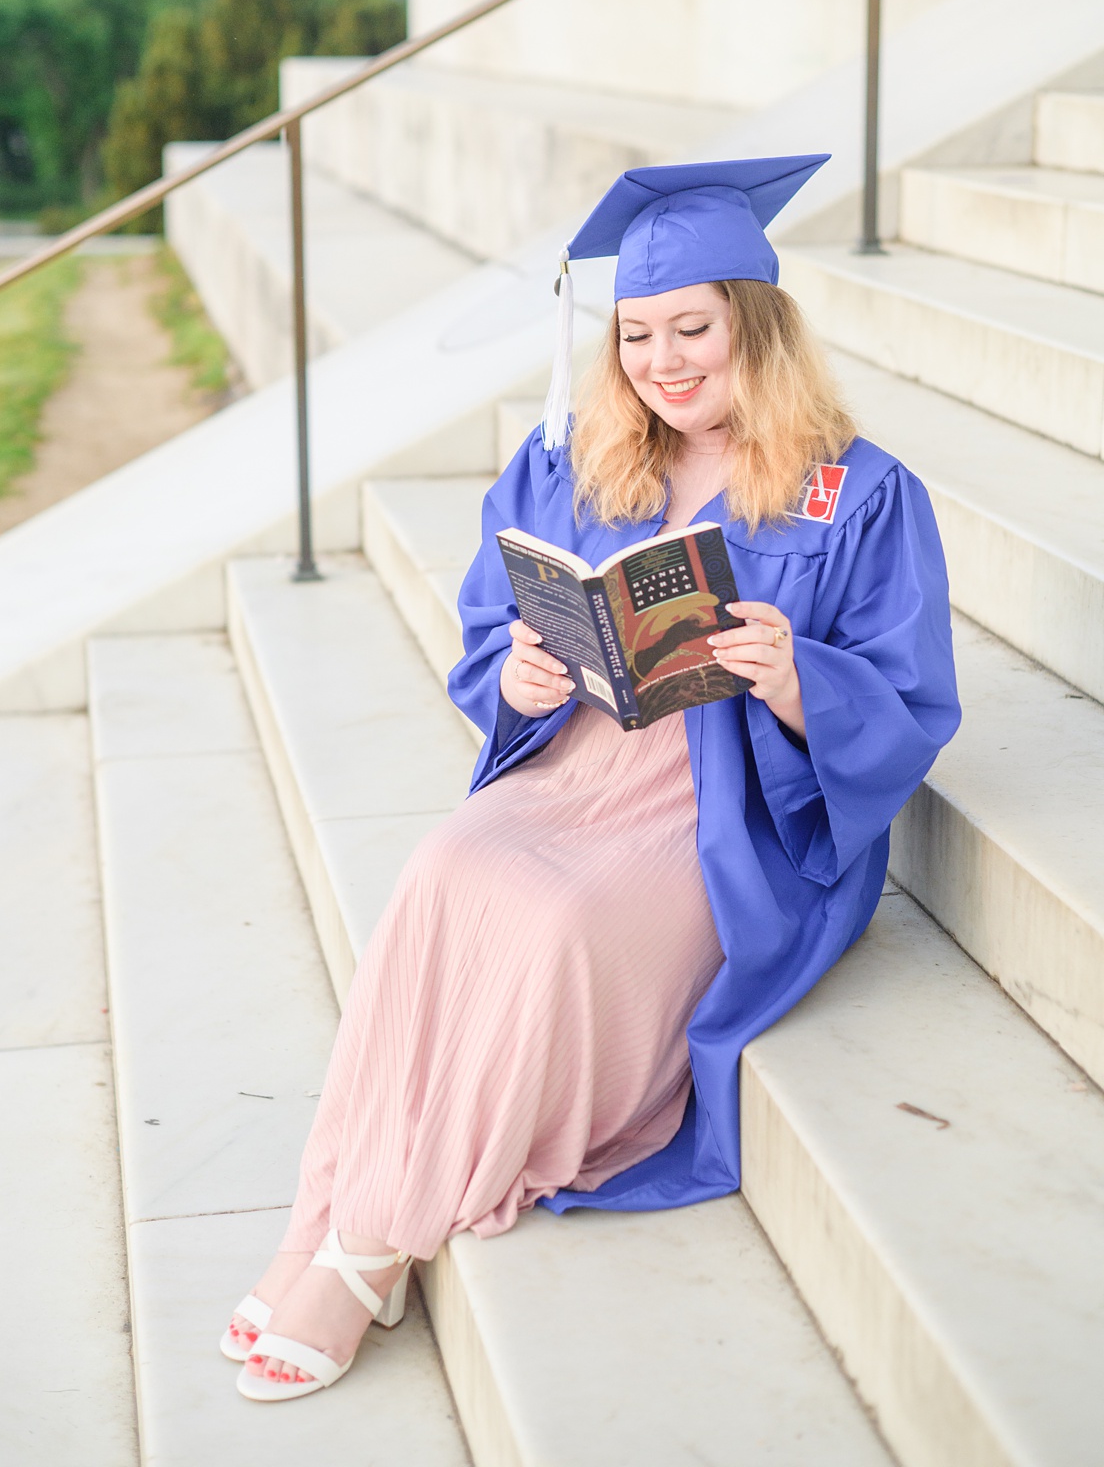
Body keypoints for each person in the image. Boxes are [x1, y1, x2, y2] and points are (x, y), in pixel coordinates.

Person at [224, 155, 959, 1401]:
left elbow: (913, 703)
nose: (665, 363)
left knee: (559, 919)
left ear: (756, 327)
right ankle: (339, 1203)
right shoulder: (579, 459)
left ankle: (368, 1246)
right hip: (580, 764)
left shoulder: (862, 491)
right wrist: (515, 680)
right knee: (447, 866)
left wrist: (795, 680)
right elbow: (488, 626)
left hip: (735, 814)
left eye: (694, 330)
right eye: (637, 336)